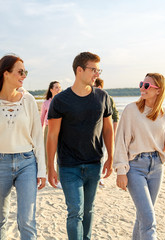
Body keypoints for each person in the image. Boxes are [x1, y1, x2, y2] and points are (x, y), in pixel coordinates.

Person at [0, 54, 46, 240]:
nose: (24, 76)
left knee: (27, 220)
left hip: (27, 164)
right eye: (20, 72)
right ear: (6, 74)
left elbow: (38, 137)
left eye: (25, 72)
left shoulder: (28, 100)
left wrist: (42, 171)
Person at [113, 73, 165, 240]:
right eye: (142, 84)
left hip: (157, 168)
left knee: (142, 218)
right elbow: (121, 141)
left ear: (158, 91)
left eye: (147, 86)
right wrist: (121, 170)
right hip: (135, 168)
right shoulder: (131, 110)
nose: (142, 88)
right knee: (149, 221)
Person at [46, 52, 114, 240]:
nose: (97, 75)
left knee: (89, 210)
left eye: (98, 70)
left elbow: (108, 130)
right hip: (68, 166)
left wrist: (111, 157)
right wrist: (50, 167)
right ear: (79, 70)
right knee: (75, 212)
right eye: (94, 70)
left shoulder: (102, 97)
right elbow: (52, 135)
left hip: (94, 164)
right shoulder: (60, 100)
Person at [94, 78, 119, 187]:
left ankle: (100, 177)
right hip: (93, 132)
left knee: (102, 154)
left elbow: (115, 116)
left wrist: (113, 133)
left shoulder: (108, 98)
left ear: (99, 87)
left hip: (104, 131)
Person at [40, 81, 62, 173]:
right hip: (48, 129)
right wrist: (39, 132)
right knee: (47, 152)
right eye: (56, 87)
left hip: (61, 129)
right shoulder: (46, 103)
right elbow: (41, 119)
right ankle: (47, 173)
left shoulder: (63, 102)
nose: (58, 89)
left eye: (59, 87)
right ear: (51, 90)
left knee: (60, 154)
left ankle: (58, 178)